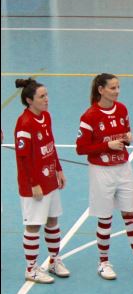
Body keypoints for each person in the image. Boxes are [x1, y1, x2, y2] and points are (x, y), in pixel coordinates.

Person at [76, 73, 133, 280]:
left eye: (118, 87)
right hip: (101, 170)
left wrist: (127, 138)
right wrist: (106, 145)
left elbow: (125, 132)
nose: (117, 91)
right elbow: (81, 148)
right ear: (101, 90)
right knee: (105, 217)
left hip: (123, 167)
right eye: (112, 88)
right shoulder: (89, 116)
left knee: (130, 213)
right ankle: (103, 263)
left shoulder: (122, 110)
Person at [14, 78, 70, 283]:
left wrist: (59, 170)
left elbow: (50, 144)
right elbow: (23, 156)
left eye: (46, 95)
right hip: (34, 185)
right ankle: (31, 269)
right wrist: (33, 183)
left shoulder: (45, 116)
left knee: (53, 220)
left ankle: (54, 260)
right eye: (42, 97)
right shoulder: (24, 123)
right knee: (34, 225)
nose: (47, 99)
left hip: (50, 179)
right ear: (29, 100)